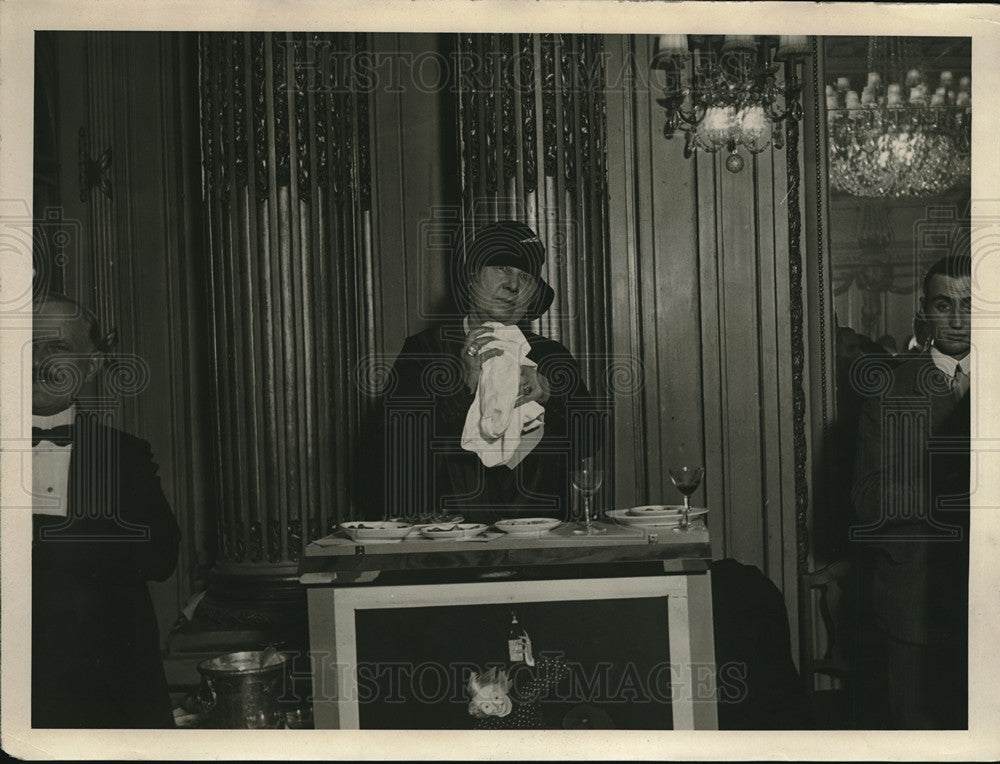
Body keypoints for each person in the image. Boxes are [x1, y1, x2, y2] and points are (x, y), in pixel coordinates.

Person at [382, 220, 602, 525]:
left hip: (538, 537)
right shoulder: (424, 350)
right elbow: (395, 448)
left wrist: (552, 396)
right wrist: (463, 387)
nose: (513, 284)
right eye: (502, 267)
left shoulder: (552, 356)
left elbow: (592, 439)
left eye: (525, 276)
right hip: (450, 541)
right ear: (472, 279)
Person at [31, 294, 181, 728]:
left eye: (57, 347)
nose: (39, 360)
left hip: (110, 694)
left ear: (92, 365)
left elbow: (160, 554)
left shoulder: (124, 455)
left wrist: (39, 541)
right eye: (27, 347)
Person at [850, 254, 971, 729]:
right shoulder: (888, 389)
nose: (959, 320)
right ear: (924, 312)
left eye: (971, 305)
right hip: (919, 612)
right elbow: (866, 500)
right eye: (945, 305)